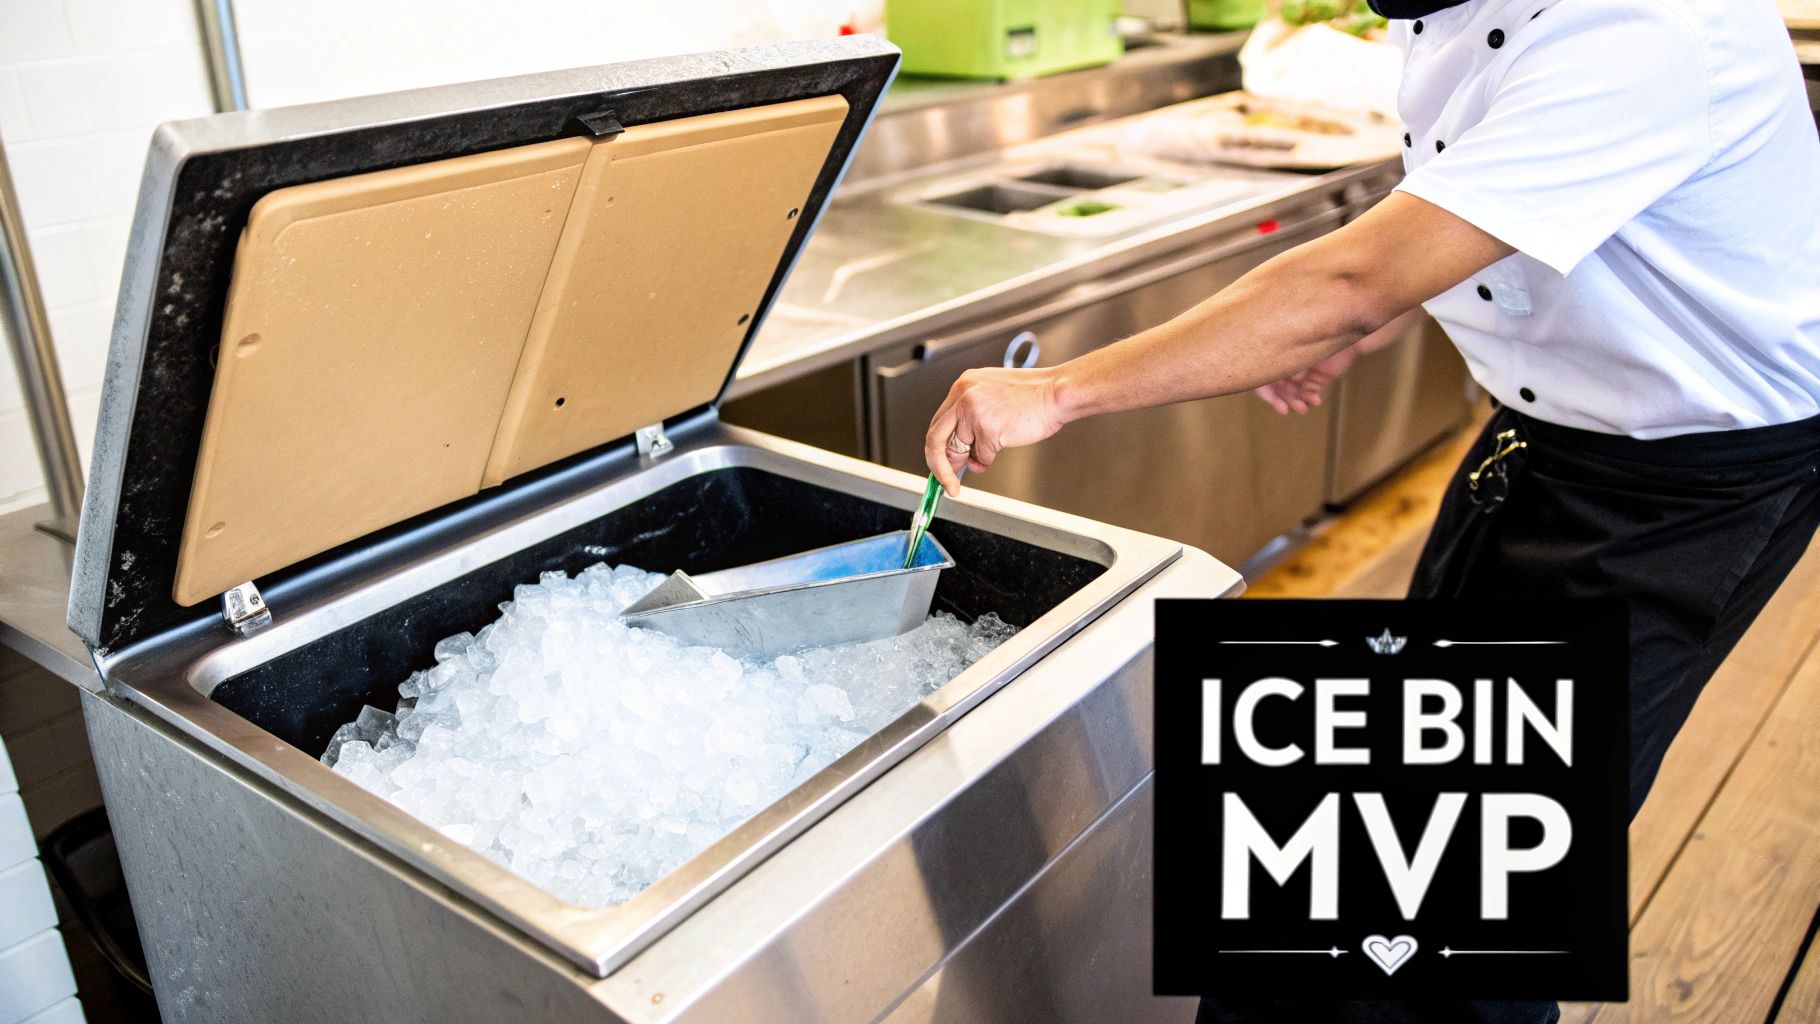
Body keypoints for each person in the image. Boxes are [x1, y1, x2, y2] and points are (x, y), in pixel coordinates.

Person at [921, 0, 1820, 1020]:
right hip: (1546, 442)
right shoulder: (1470, 13)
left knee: (1463, 893)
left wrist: (1057, 390)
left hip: (1676, 489)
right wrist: (1395, 306)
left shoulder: (1649, 26)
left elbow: (1349, 277)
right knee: (1368, 826)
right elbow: (1480, 200)